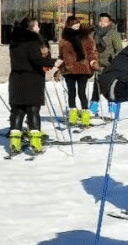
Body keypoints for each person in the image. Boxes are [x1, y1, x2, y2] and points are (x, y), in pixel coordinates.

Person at [7, 19, 48, 154]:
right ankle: (36, 143)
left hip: (16, 79)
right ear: (30, 29)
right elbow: (36, 60)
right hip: (32, 79)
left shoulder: (14, 43)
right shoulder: (32, 42)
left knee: (18, 111)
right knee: (33, 111)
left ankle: (14, 142)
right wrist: (51, 62)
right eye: (36, 26)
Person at [54, 15, 99, 127]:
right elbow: (61, 56)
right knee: (71, 93)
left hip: (83, 69)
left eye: (78, 23)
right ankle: (73, 116)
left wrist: (93, 62)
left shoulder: (86, 38)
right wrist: (57, 69)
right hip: (69, 69)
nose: (77, 25)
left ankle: (85, 116)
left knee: (82, 92)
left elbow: (91, 52)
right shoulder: (63, 40)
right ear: (69, 25)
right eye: (74, 23)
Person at [91, 13, 123, 117]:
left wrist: (115, 62)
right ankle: (93, 110)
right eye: (101, 20)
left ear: (109, 22)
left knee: (110, 89)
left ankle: (112, 111)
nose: (102, 22)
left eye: (105, 21)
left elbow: (119, 50)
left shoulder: (113, 33)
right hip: (98, 65)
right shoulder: (95, 33)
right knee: (96, 89)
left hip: (109, 66)